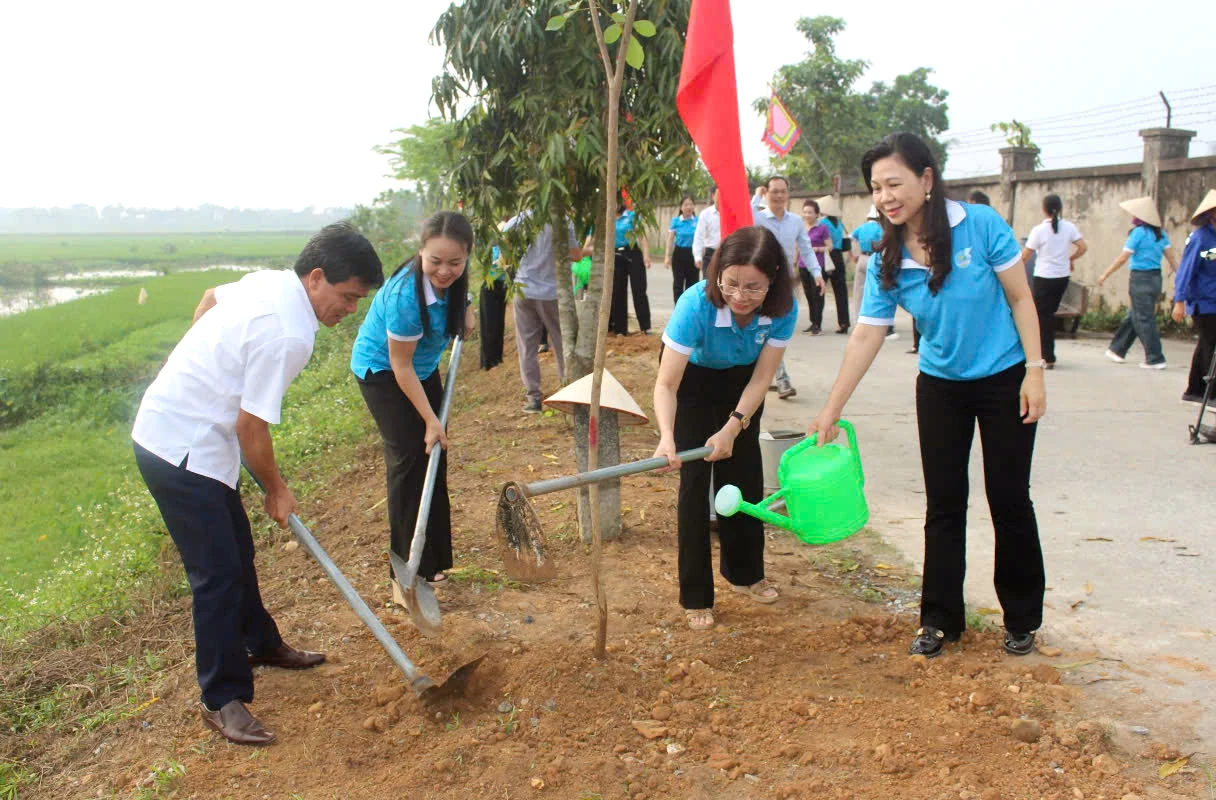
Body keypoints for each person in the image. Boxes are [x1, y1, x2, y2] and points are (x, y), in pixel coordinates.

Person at [132, 223, 383, 745]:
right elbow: (252, 429)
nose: (350, 309)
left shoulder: (273, 282)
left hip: (199, 437)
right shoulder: (290, 332)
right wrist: (276, 488)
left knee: (238, 551)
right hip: (178, 447)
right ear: (316, 278)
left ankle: (260, 642)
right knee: (217, 574)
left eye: (358, 300)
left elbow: (208, 299)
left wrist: (200, 369)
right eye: (347, 296)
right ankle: (221, 698)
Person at [807, 132, 1047, 659]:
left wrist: (1035, 370)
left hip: (1004, 377)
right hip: (939, 386)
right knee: (943, 505)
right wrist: (832, 407)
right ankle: (939, 619)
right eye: (876, 187)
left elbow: (1021, 298)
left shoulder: (979, 226)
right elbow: (868, 332)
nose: (885, 196)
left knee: (1008, 498)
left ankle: (1022, 617)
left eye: (894, 183)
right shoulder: (885, 254)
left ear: (927, 180)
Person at [653, 226, 799, 630]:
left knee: (744, 477)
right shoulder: (695, 305)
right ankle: (695, 594)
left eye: (754, 287)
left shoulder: (784, 309)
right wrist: (667, 436)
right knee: (695, 483)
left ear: (773, 280)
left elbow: (760, 379)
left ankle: (745, 572)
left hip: (743, 384)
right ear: (717, 273)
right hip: (693, 383)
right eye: (731, 283)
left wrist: (734, 427)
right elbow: (666, 384)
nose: (739, 296)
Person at [350, 211, 476, 611]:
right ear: (420, 251)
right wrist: (429, 418)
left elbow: (460, 298)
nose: (445, 270)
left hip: (420, 369)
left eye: (455, 262)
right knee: (408, 460)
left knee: (435, 454)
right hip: (384, 373)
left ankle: (431, 560)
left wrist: (467, 310)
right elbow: (399, 366)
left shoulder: (456, 279)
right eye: (435, 261)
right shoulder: (405, 296)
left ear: (467, 256)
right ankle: (402, 575)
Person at [502, 210, 584, 412]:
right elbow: (575, 255)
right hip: (550, 293)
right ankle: (569, 394)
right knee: (562, 342)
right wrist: (589, 250)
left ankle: (534, 398)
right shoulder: (564, 219)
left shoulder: (519, 218)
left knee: (527, 346)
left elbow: (503, 243)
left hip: (523, 288)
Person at [752, 175, 824, 399]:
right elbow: (742, 217)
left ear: (788, 194)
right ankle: (779, 378)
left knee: (777, 329)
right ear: (767, 192)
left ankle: (774, 375)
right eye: (774, 191)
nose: (779, 196)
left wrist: (817, 273)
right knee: (760, 328)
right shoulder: (758, 217)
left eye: (783, 191)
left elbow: (806, 247)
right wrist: (756, 197)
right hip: (760, 281)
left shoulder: (795, 221)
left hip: (784, 282)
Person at [1098, 197, 1179, 369]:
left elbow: (1123, 258)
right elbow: (1171, 258)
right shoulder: (1161, 234)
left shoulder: (1138, 233)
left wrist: (1105, 274)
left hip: (1140, 279)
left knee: (1143, 318)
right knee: (1136, 314)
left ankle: (1155, 358)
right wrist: (1181, 275)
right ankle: (1117, 350)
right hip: (1156, 279)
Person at [1021, 195, 1087, 369]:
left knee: (1042, 317)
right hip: (1062, 278)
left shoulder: (1039, 230)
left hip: (1044, 277)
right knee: (1048, 315)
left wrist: (1014, 271)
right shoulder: (1069, 228)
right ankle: (1046, 354)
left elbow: (1026, 255)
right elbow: (1083, 247)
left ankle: (1047, 356)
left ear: (1043, 209)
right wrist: (1070, 259)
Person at [1172, 189, 1216, 403]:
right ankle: (1212, 393)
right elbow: (1186, 269)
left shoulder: (1212, 242)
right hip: (1204, 302)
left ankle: (1194, 390)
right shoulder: (1199, 238)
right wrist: (1179, 301)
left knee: (1206, 344)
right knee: (1212, 345)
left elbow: (1210, 257)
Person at [850, 205, 897, 341]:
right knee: (878, 291)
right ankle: (883, 324)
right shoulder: (881, 228)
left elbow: (851, 237)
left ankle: (857, 321)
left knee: (858, 292)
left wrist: (855, 254)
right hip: (876, 259)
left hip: (862, 258)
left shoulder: (862, 227)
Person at [609, 200, 651, 335]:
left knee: (639, 290)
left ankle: (645, 327)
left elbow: (642, 236)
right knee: (618, 292)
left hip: (632, 252)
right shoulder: (607, 217)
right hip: (615, 254)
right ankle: (620, 329)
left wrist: (646, 255)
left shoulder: (632, 216)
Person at [817, 195, 852, 334]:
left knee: (820, 289)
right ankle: (844, 322)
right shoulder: (839, 223)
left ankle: (816, 322)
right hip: (838, 257)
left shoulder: (822, 223)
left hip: (826, 255)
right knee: (841, 291)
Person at [480, 222, 511, 371]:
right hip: (489, 286)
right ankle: (488, 361)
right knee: (489, 325)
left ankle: (497, 357)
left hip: (502, 286)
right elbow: (493, 266)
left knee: (499, 323)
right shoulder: (492, 250)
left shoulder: (507, 249)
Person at [799, 199, 830, 334]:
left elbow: (830, 246)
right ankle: (812, 322)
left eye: (810, 212)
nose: (807, 215)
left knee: (817, 295)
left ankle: (818, 324)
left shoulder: (822, 228)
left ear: (817, 214)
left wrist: (817, 249)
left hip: (817, 265)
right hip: (802, 265)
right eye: (805, 212)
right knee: (808, 294)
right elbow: (796, 246)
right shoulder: (800, 227)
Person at [666, 194, 700, 302]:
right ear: (681, 207)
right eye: (686, 204)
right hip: (679, 254)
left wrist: (700, 256)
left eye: (690, 204)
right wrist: (667, 256)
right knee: (678, 284)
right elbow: (670, 239)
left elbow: (701, 239)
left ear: (694, 206)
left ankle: (690, 311)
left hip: (693, 254)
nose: (688, 207)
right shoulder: (676, 221)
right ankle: (678, 309)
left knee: (692, 285)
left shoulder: (698, 221)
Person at [693, 186, 722, 280]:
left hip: (727, 253)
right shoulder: (706, 213)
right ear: (713, 196)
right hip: (710, 254)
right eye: (719, 195)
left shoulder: (732, 213)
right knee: (708, 284)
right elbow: (699, 235)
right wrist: (697, 256)